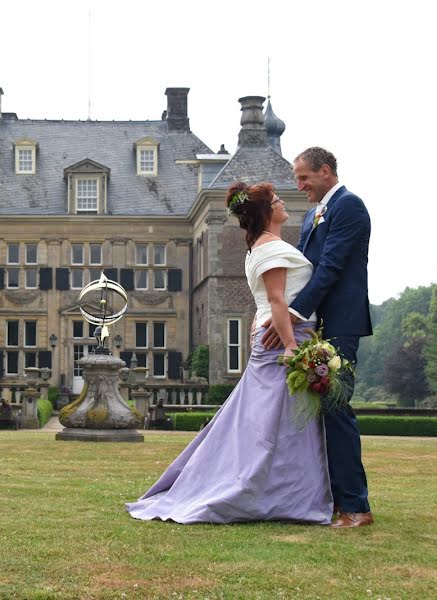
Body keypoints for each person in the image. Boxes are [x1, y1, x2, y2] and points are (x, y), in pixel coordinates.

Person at [125, 181, 333, 525]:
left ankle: (279, 493)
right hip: (283, 341)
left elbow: (265, 301)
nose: (283, 203)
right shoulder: (269, 247)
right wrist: (293, 347)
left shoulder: (260, 247)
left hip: (274, 338)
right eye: (277, 200)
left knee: (261, 424)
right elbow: (278, 300)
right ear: (266, 212)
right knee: (271, 427)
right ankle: (278, 495)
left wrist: (260, 326)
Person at [262, 147, 374, 528]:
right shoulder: (313, 214)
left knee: (337, 409)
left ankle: (356, 507)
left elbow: (330, 268)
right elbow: (305, 270)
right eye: (296, 178)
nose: (299, 185)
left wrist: (290, 315)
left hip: (341, 323)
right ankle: (327, 500)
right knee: (319, 414)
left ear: (325, 171)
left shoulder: (350, 207)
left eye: (304, 177)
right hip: (316, 325)